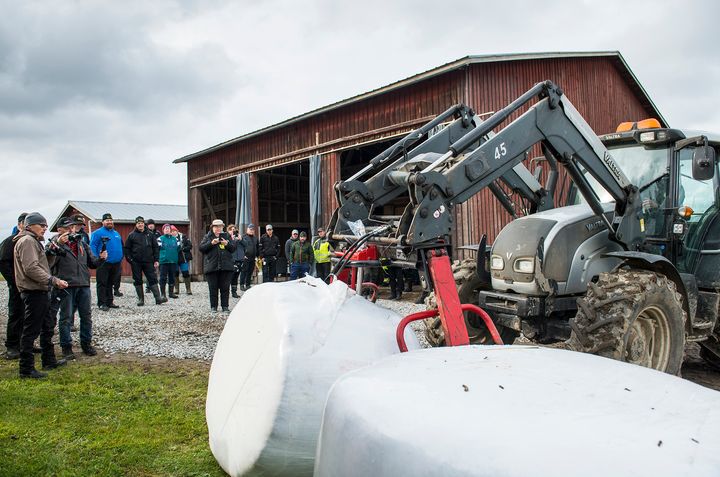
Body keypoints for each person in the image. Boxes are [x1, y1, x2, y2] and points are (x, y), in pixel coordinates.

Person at [13, 212, 69, 378]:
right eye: (41, 225)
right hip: (33, 291)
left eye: (46, 225)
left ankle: (49, 360)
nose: (45, 228)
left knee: (47, 326)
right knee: (31, 330)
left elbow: (43, 264)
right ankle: (26, 369)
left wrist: (51, 253)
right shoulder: (27, 241)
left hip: (40, 289)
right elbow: (31, 268)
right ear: (30, 226)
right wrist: (52, 280)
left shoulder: (34, 241)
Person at [47, 216, 107, 360]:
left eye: (74, 227)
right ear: (60, 229)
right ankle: (66, 346)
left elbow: (92, 263)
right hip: (66, 285)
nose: (72, 230)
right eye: (68, 228)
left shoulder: (81, 242)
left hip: (83, 284)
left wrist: (101, 259)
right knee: (66, 317)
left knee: (86, 316)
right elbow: (47, 261)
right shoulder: (54, 244)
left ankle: (86, 343)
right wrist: (58, 245)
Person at [0, 212, 28, 359]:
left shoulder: (32, 241)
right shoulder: (10, 241)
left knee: (29, 315)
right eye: (26, 222)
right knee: (16, 315)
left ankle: (26, 343)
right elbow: (3, 263)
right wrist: (14, 281)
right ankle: (12, 345)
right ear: (19, 225)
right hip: (17, 286)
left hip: (31, 286)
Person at [123, 216, 163, 306]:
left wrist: (156, 259)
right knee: (137, 280)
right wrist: (130, 260)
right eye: (138, 223)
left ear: (144, 224)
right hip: (136, 262)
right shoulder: (131, 235)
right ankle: (141, 299)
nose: (140, 225)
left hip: (149, 261)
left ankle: (158, 298)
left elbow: (155, 247)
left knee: (152, 279)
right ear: (136, 225)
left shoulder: (150, 234)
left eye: (141, 223)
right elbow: (127, 249)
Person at [199, 219, 236, 312]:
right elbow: (201, 248)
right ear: (212, 228)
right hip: (212, 267)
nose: (218, 228)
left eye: (220, 227)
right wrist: (211, 243)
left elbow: (233, 248)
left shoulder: (227, 236)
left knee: (225, 288)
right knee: (213, 288)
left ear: (223, 227)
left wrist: (227, 244)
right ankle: (213, 307)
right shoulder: (208, 237)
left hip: (226, 267)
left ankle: (225, 306)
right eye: (216, 227)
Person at [90, 213, 124, 311]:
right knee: (102, 283)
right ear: (103, 222)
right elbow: (93, 246)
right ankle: (102, 303)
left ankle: (109, 301)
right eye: (107, 220)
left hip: (116, 263)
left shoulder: (116, 233)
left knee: (111, 283)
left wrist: (121, 256)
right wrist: (97, 259)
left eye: (110, 220)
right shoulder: (97, 233)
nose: (109, 222)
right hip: (103, 263)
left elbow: (120, 245)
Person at [157, 224, 179, 300]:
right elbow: (157, 249)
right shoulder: (160, 239)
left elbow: (178, 249)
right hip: (163, 261)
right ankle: (163, 294)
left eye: (168, 228)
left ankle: (171, 293)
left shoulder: (175, 239)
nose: (167, 230)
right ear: (163, 230)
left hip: (173, 261)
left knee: (172, 277)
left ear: (170, 230)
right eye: (165, 229)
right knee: (163, 277)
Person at [173, 226, 193, 296]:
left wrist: (183, 249)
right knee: (175, 273)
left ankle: (188, 289)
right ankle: (176, 289)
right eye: (171, 231)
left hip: (183, 258)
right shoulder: (170, 239)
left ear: (177, 231)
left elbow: (190, 245)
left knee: (185, 273)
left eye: (174, 231)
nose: (173, 232)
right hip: (174, 258)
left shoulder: (183, 237)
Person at [239, 224, 259, 291]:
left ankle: (247, 284)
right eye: (250, 229)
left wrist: (257, 256)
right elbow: (240, 247)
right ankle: (242, 285)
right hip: (245, 257)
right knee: (244, 271)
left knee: (250, 271)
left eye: (252, 230)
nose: (251, 231)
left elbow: (257, 248)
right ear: (247, 229)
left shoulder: (255, 238)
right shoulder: (243, 237)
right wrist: (242, 255)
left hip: (253, 258)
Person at [144, 219, 161, 293]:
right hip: (148, 254)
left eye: (152, 224)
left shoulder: (158, 233)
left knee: (157, 271)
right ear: (147, 226)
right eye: (149, 224)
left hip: (157, 254)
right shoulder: (145, 233)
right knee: (150, 271)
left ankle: (155, 286)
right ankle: (148, 287)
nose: (151, 225)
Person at [228, 224, 243, 298]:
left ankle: (234, 292)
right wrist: (233, 240)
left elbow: (246, 245)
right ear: (228, 231)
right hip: (231, 260)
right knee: (230, 276)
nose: (233, 231)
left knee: (236, 277)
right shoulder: (227, 238)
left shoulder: (238, 238)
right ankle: (227, 292)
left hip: (239, 260)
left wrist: (241, 239)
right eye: (231, 230)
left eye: (234, 230)